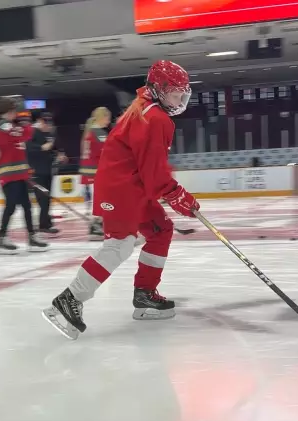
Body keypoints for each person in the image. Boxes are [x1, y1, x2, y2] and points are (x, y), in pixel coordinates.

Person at [42, 60, 198, 340]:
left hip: (133, 187)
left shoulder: (144, 107)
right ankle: (69, 300)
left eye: (182, 92)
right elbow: (154, 170)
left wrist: (172, 193)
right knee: (120, 244)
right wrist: (176, 195)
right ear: (159, 89)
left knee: (160, 230)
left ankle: (146, 295)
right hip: (121, 188)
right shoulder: (156, 118)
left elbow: (149, 168)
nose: (180, 98)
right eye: (175, 92)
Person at [0, 97, 49, 254]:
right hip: (7, 174)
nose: (17, 114)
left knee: (27, 205)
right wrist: (33, 126)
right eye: (15, 111)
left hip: (18, 173)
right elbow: (22, 134)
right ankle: (2, 237)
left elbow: (22, 136)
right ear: (9, 111)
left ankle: (32, 237)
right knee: (11, 204)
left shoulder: (9, 125)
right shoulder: (4, 125)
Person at [26, 111, 63, 235]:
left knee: (47, 199)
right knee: (42, 199)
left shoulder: (47, 133)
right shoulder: (32, 132)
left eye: (50, 123)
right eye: (46, 123)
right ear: (40, 121)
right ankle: (44, 224)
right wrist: (42, 147)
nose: (49, 126)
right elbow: (28, 148)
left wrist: (59, 154)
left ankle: (46, 223)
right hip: (37, 171)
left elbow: (52, 148)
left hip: (47, 170)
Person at [79, 106, 112, 241]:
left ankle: (96, 224)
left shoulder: (89, 132)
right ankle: (96, 225)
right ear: (101, 117)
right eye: (107, 118)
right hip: (95, 171)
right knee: (100, 199)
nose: (108, 121)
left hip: (88, 171)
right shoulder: (98, 132)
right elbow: (108, 152)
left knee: (97, 199)